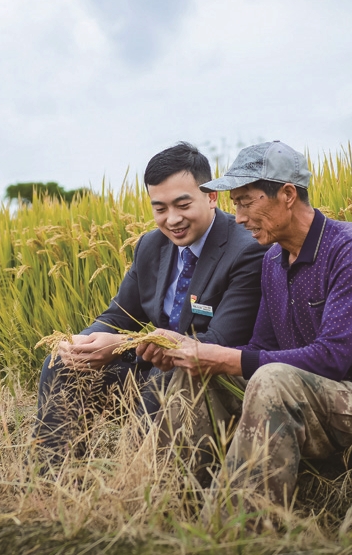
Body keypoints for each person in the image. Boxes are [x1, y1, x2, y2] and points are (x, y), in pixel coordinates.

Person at [139, 141, 352, 507]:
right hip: (316, 398)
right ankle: (175, 505)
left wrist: (223, 357)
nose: (238, 217)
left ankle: (240, 525)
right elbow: (260, 348)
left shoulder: (351, 249)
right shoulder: (274, 260)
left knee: (271, 379)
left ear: (288, 194)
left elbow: (332, 358)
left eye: (246, 202)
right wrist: (190, 352)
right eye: (235, 205)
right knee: (194, 373)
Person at [33, 142, 268, 466]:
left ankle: (141, 479)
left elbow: (218, 341)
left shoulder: (246, 250)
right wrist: (83, 343)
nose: (172, 219)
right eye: (160, 208)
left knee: (167, 376)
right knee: (62, 364)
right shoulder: (150, 245)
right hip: (150, 371)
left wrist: (122, 346)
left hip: (204, 381)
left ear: (211, 196)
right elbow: (118, 315)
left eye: (182, 205)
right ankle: (52, 474)